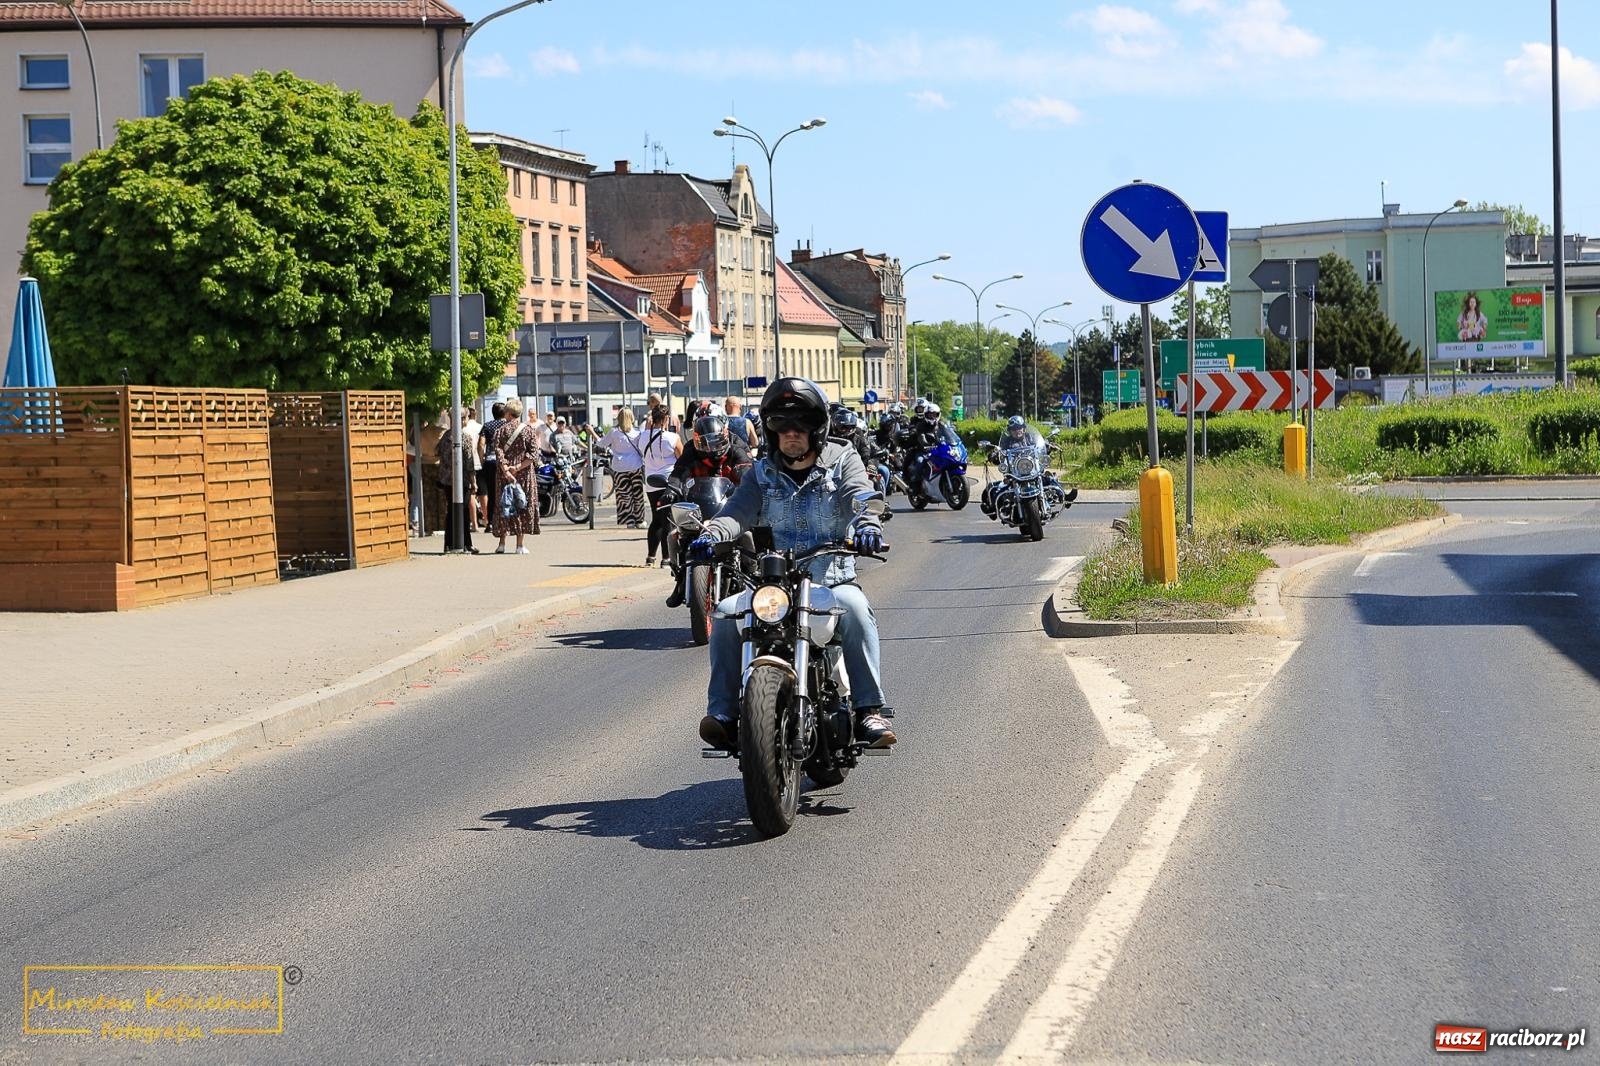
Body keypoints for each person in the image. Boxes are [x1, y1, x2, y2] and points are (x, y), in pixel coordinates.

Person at [689, 377, 893, 750]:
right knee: (725, 612)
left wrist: (867, 524)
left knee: (857, 609)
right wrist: (711, 535)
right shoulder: (761, 473)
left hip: (830, 580)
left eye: (800, 425)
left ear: (817, 429)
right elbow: (736, 512)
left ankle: (868, 709)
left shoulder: (843, 458)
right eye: (782, 426)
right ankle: (723, 713)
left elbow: (859, 494)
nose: (791, 434)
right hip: (774, 586)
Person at [663, 411, 751, 608]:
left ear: (725, 437)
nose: (711, 448)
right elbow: (679, 472)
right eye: (705, 443)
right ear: (696, 441)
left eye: (715, 442)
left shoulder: (736, 449)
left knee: (749, 535)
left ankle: (752, 575)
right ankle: (679, 579)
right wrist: (671, 489)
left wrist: (747, 481)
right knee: (674, 535)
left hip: (730, 507)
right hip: (699, 510)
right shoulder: (691, 452)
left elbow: (747, 469)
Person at [490, 398, 540, 553]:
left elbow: (498, 453)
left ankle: (502, 544)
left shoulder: (500, 432)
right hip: (524, 475)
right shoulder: (528, 431)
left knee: (504, 505)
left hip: (504, 476)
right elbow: (533, 455)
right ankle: (520, 545)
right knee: (522, 506)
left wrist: (506, 470)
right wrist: (517, 467)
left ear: (509, 414)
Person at [639, 405, 683, 568]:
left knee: (656, 520)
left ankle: (650, 556)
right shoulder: (672, 437)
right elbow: (682, 457)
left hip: (651, 483)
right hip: (668, 482)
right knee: (668, 521)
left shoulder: (643, 437)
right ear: (666, 420)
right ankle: (666, 558)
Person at [435, 414, 478, 554]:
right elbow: (469, 462)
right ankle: (466, 543)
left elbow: (437, 451)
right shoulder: (464, 437)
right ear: (463, 419)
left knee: (451, 511)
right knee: (463, 511)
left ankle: (448, 544)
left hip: (447, 479)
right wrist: (473, 482)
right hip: (462, 479)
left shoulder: (446, 436)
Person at [598, 409, 647, 528]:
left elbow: (601, 443)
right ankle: (640, 520)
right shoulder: (637, 433)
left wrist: (592, 433)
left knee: (624, 495)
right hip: (636, 466)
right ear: (632, 418)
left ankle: (628, 520)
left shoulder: (614, 432)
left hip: (619, 468)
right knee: (638, 494)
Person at [478, 402, 507, 531]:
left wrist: (482, 459)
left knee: (491, 492)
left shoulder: (487, 426)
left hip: (490, 461)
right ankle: (505, 520)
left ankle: (490, 522)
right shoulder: (508, 425)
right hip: (505, 462)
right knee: (505, 491)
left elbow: (480, 445)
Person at [460, 406, 484, 530]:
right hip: (474, 461)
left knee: (469, 495)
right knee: (478, 493)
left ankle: (473, 522)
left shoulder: (465, 430)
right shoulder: (479, 427)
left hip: (462, 464)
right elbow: (481, 445)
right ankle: (483, 520)